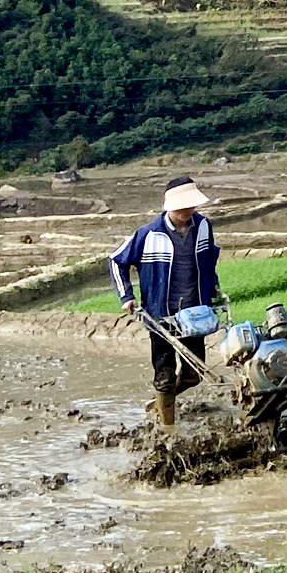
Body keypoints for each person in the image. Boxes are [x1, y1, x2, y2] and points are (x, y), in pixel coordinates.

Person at [108, 176, 222, 429]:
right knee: (165, 377)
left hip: (194, 312)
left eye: (191, 205)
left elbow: (210, 259)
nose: (188, 211)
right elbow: (116, 260)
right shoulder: (149, 234)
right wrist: (127, 297)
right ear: (169, 205)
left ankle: (159, 402)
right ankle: (168, 429)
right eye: (183, 206)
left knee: (194, 374)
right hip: (161, 315)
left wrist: (213, 286)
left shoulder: (204, 226)